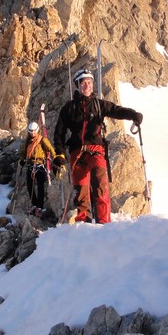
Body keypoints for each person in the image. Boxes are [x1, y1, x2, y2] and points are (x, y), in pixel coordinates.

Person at [53, 69, 143, 224]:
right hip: (77, 153)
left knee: (101, 188)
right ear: (78, 85)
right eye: (83, 83)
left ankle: (104, 224)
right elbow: (59, 133)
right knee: (81, 193)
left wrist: (133, 115)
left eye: (89, 82)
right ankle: (84, 224)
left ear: (92, 85)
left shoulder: (99, 105)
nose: (86, 86)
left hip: (97, 151)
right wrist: (59, 154)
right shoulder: (69, 109)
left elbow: (116, 110)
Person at [19, 121, 56, 217]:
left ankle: (40, 207)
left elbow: (50, 149)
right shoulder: (28, 141)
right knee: (30, 186)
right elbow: (23, 151)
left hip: (40, 164)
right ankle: (35, 205)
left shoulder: (42, 140)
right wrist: (22, 160)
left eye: (33, 131)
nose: (32, 133)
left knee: (40, 187)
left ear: (37, 130)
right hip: (30, 164)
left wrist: (55, 158)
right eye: (30, 131)